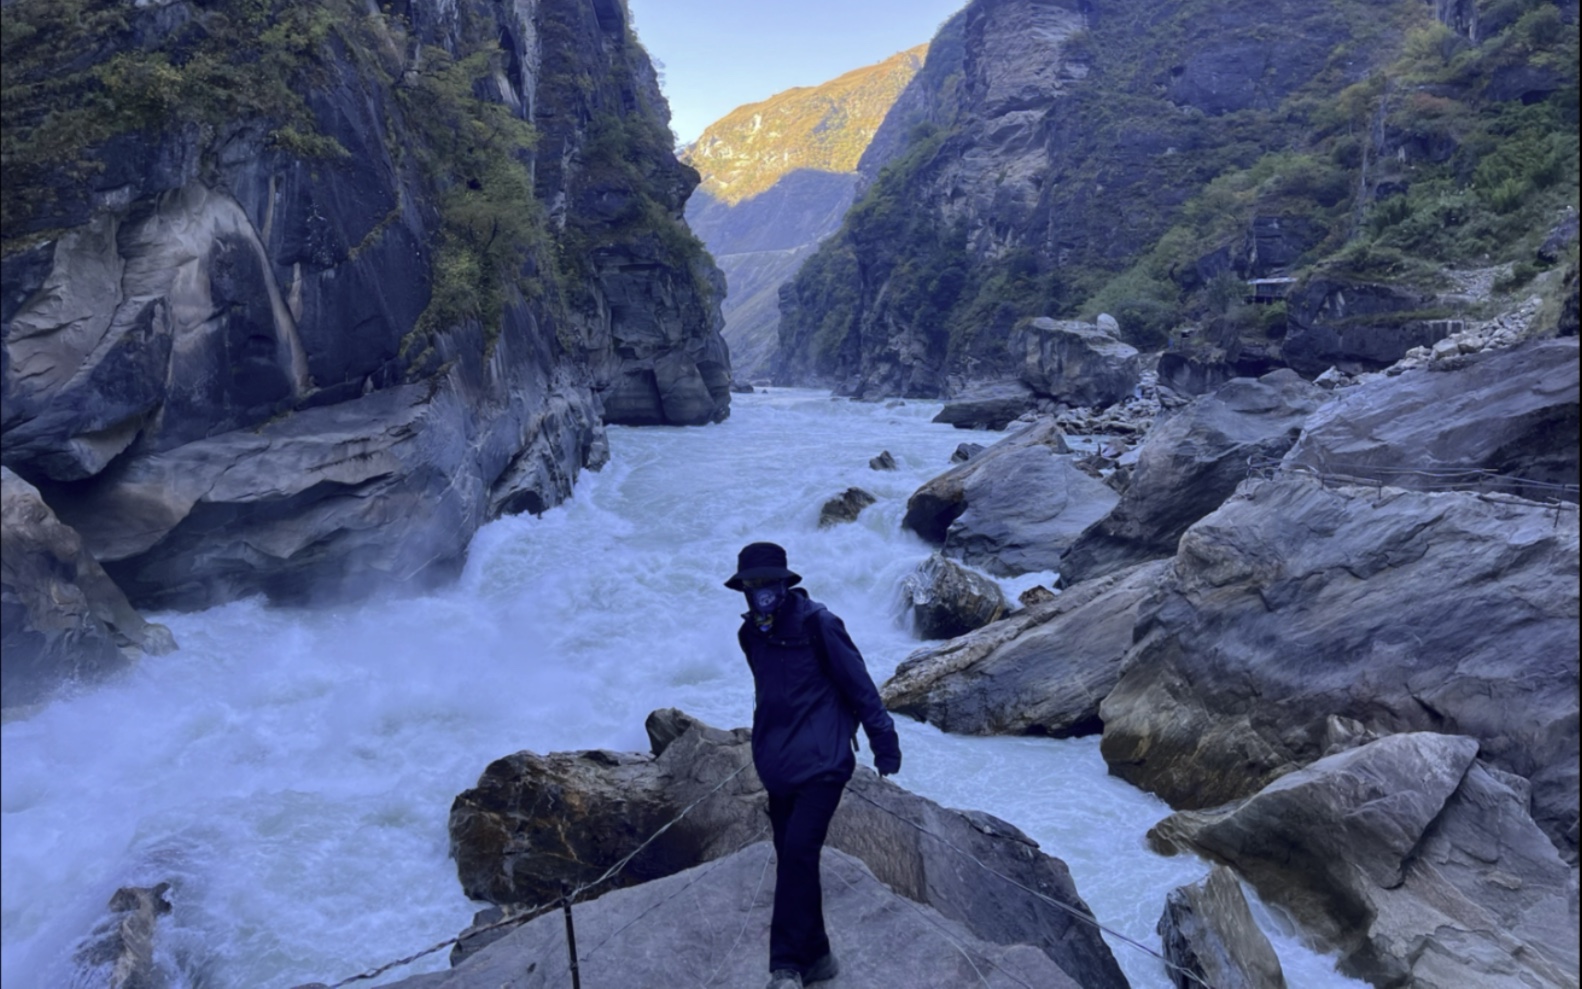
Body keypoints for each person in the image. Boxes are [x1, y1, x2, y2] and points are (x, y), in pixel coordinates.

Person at [725, 541, 903, 989]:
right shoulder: (751, 635)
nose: (760, 591)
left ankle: (784, 967)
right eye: (751, 584)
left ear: (785, 583)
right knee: (793, 861)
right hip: (778, 765)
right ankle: (818, 957)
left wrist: (884, 742)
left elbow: (859, 684)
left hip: (824, 761)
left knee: (799, 854)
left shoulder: (819, 624)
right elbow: (770, 697)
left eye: (767, 582)